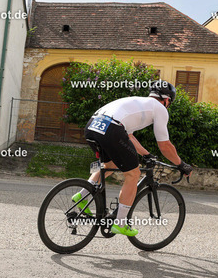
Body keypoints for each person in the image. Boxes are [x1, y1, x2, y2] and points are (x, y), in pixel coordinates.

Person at [73, 82, 192, 236]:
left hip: (92, 126)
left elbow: (128, 136)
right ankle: (120, 223)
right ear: (167, 100)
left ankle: (82, 195)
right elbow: (164, 145)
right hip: (112, 129)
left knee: (110, 164)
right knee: (133, 174)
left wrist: (146, 154)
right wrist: (181, 164)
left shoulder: (137, 102)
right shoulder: (160, 108)